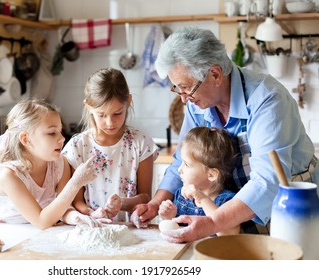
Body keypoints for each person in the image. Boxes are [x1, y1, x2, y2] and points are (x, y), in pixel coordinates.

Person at [133, 26, 319, 242]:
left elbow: (268, 181)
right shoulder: (197, 104)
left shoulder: (267, 99)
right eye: (177, 89)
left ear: (215, 74)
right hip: (234, 209)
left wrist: (212, 223)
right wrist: (155, 204)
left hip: (291, 208)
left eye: (186, 88)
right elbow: (180, 162)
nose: (183, 99)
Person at [0, 97, 100, 230]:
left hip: (35, 234)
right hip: (5, 235)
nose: (62, 138)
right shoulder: (10, 176)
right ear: (25, 139)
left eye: (60, 131)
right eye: (52, 133)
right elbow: (42, 221)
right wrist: (75, 183)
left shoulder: (60, 164)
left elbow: (62, 207)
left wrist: (77, 217)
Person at [62, 67, 159, 222]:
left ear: (128, 101)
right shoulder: (77, 147)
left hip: (133, 230)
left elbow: (146, 196)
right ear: (88, 107)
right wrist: (92, 213)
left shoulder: (141, 144)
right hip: (92, 228)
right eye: (101, 115)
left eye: (117, 113)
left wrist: (122, 203)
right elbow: (76, 200)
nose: (110, 122)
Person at [158, 127, 240, 236]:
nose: (179, 169)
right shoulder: (181, 196)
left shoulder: (227, 201)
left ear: (211, 175)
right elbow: (177, 230)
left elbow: (230, 234)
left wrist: (202, 198)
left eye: (187, 164)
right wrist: (169, 217)